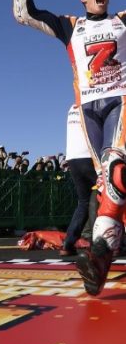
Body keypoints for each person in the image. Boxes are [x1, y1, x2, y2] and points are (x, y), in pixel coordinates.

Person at [13, 0, 126, 295]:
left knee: (116, 168)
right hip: (89, 109)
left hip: (120, 100)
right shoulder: (71, 26)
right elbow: (24, 14)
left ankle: (101, 253)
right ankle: (101, 260)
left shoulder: (121, 21)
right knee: (107, 182)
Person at [60, 104, 98, 257]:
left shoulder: (72, 108)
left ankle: (68, 243)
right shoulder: (93, 103)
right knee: (108, 196)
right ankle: (103, 243)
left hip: (73, 157)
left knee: (84, 202)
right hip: (90, 156)